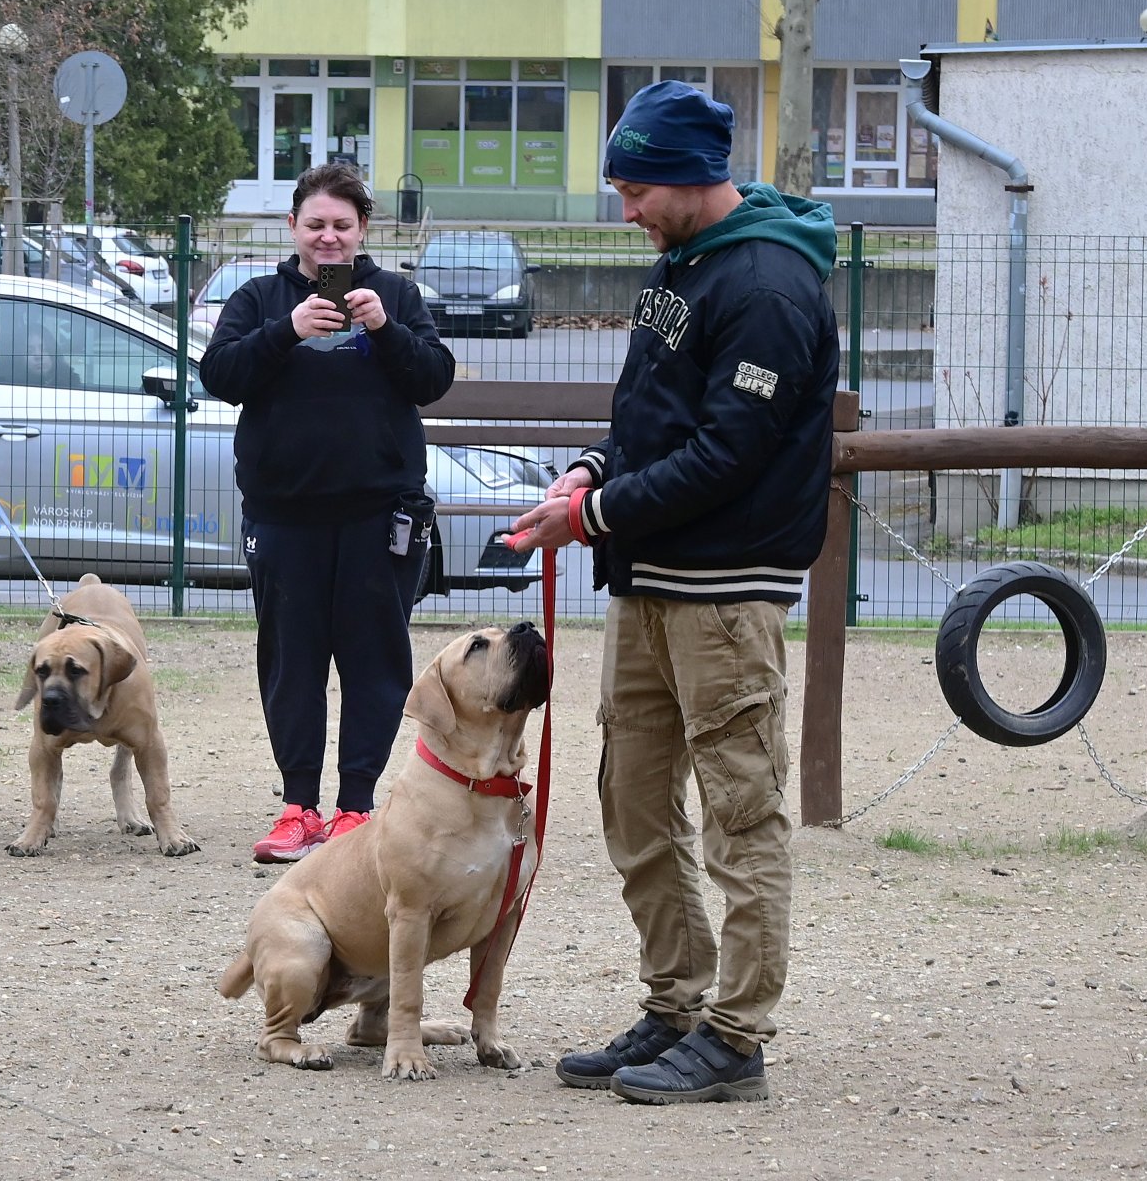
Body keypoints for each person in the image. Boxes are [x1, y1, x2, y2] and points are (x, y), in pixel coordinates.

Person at [506, 80, 838, 1104]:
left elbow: (728, 453)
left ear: (696, 176)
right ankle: (674, 1001)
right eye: (620, 187)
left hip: (723, 592)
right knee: (635, 799)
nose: (627, 209)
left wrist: (592, 519)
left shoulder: (771, 289)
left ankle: (736, 1035)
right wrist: (594, 474)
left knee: (740, 812)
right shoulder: (675, 267)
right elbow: (649, 407)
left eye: (638, 187)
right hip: (645, 578)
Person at [200, 162, 455, 864]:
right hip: (286, 518)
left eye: (342, 225)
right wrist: (285, 332)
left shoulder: (397, 295)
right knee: (292, 664)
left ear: (363, 230)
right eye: (316, 225)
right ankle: (297, 807)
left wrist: (386, 330)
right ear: (293, 229)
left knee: (375, 663)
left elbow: (434, 378)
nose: (329, 239)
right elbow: (220, 376)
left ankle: (356, 808)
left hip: (380, 515)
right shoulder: (259, 298)